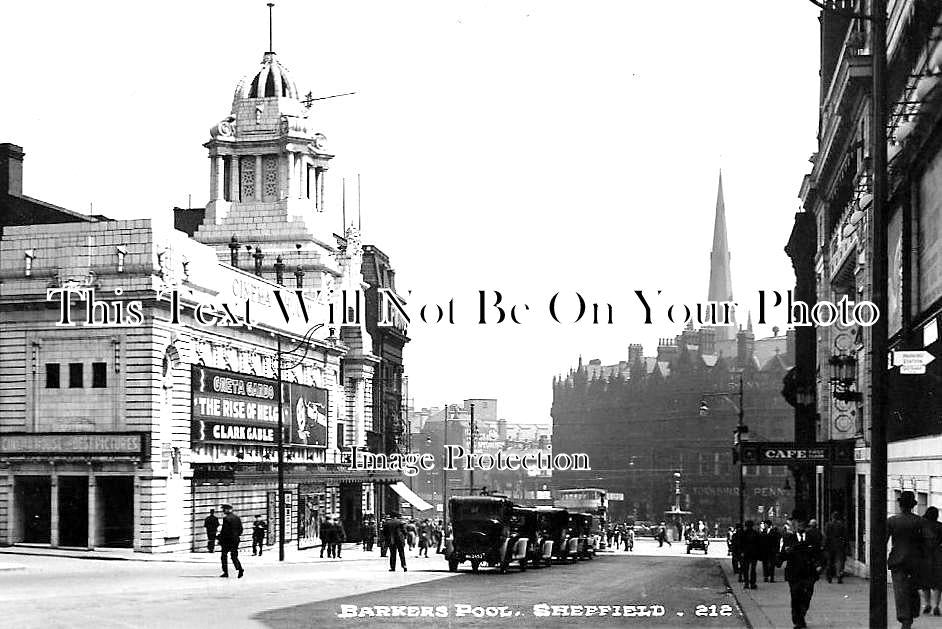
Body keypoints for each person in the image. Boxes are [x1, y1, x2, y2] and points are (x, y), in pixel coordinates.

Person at [888, 491, 932, 629]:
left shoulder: (892, 521)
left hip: (898, 561)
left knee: (900, 591)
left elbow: (881, 541)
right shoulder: (921, 521)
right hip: (916, 562)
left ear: (900, 505)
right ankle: (910, 617)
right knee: (912, 590)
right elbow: (929, 541)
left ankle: (905, 619)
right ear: (913, 505)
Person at [778, 508, 823, 629]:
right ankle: (798, 620)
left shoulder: (812, 536)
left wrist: (819, 565)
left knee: (807, 596)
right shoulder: (788, 538)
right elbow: (781, 556)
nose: (800, 524)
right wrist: (785, 554)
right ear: (794, 523)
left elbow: (818, 552)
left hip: (809, 573)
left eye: (802, 522)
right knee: (795, 595)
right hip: (794, 573)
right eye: (798, 522)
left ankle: (801, 614)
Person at [920, 506, 942, 617]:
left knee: (925, 582)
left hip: (924, 556)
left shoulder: (922, 526)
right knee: (938, 583)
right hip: (938, 556)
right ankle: (936, 605)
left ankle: (927, 603)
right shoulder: (940, 526)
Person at [219, 504, 244, 579]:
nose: (223, 511)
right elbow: (241, 530)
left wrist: (220, 538)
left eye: (224, 509)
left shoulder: (226, 518)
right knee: (234, 556)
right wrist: (236, 535)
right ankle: (240, 569)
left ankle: (225, 572)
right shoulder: (237, 518)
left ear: (227, 510)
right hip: (235, 540)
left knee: (224, 556)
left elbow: (224, 531)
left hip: (227, 540)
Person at [824, 510, 848, 584]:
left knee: (830, 561)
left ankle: (829, 577)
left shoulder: (828, 524)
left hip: (830, 545)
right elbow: (845, 536)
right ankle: (839, 576)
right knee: (839, 562)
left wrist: (824, 545)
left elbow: (826, 536)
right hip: (839, 545)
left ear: (832, 517)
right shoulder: (842, 525)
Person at [740, 520, 761, 589]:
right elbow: (759, 544)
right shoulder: (756, 533)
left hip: (746, 553)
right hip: (754, 553)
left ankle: (746, 583)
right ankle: (752, 583)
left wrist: (742, 552)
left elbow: (741, 544)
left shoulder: (743, 533)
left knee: (746, 569)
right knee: (753, 569)